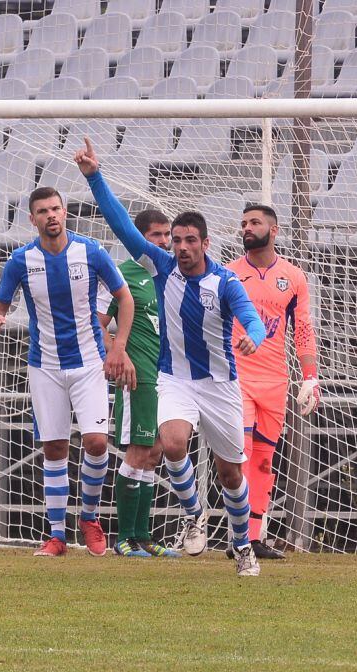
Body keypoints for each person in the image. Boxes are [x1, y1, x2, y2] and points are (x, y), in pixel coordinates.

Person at [74, 138, 269, 577]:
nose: (180, 247)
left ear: (206, 242)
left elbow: (251, 320)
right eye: (175, 240)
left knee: (232, 475)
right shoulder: (161, 267)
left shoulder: (225, 282)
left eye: (188, 241)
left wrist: (253, 339)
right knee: (174, 441)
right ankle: (194, 513)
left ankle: (243, 548)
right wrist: (94, 177)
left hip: (220, 385)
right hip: (173, 379)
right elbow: (122, 225)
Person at [0, 186, 136, 558]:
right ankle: (56, 535)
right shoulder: (21, 261)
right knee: (53, 447)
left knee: (97, 442)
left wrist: (117, 347)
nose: (51, 215)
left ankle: (89, 518)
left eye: (56, 208)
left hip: (88, 363)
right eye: (43, 211)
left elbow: (124, 298)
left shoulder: (91, 252)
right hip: (45, 365)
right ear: (32, 218)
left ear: (65, 212)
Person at [224, 204, 320, 560]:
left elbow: (304, 330)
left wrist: (310, 377)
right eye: (244, 222)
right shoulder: (229, 274)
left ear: (274, 230)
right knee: (242, 455)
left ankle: (251, 538)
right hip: (238, 377)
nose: (247, 227)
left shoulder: (293, 277)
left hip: (276, 380)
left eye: (254, 222)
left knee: (264, 462)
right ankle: (238, 538)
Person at [97, 208, 181, 559]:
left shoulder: (172, 276)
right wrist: (119, 352)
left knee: (155, 452)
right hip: (138, 375)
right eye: (156, 236)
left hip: (168, 378)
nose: (164, 242)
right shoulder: (120, 275)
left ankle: (143, 536)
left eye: (168, 236)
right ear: (139, 240)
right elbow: (95, 323)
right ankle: (124, 537)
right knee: (136, 451)